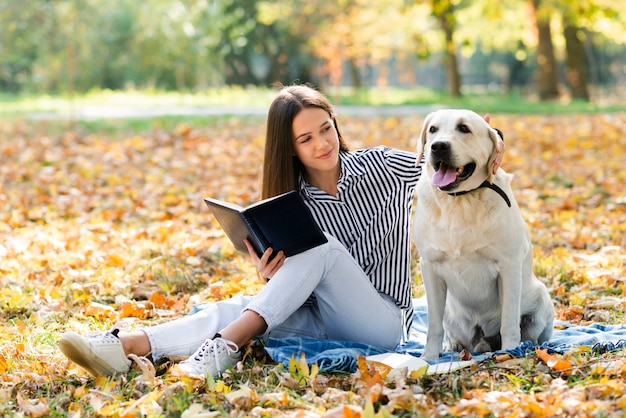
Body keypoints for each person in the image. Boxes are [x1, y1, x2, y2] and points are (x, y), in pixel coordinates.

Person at [59, 84, 504, 379]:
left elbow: (449, 166)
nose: (322, 144)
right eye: (306, 139)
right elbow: (303, 284)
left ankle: (224, 349)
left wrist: (488, 137)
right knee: (238, 305)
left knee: (323, 252)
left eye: (325, 129)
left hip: (383, 321)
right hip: (320, 317)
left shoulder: (383, 165)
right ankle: (128, 347)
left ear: (335, 124)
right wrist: (271, 276)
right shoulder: (292, 202)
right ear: (289, 148)